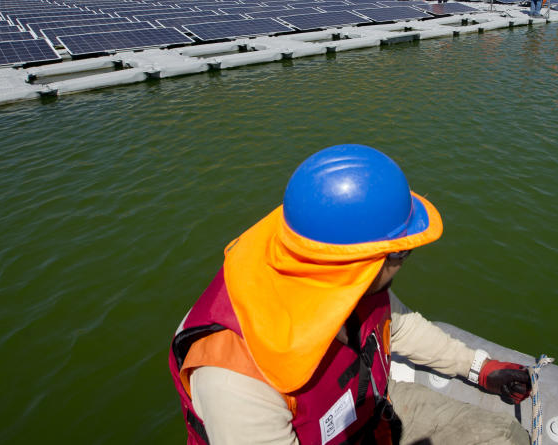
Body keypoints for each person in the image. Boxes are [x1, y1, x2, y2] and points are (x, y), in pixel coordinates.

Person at [170, 144, 534, 445]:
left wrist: (478, 367)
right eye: (400, 252)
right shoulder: (234, 377)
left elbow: (399, 326)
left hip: (369, 414)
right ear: (357, 263)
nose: (405, 260)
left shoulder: (344, 284)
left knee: (502, 437)